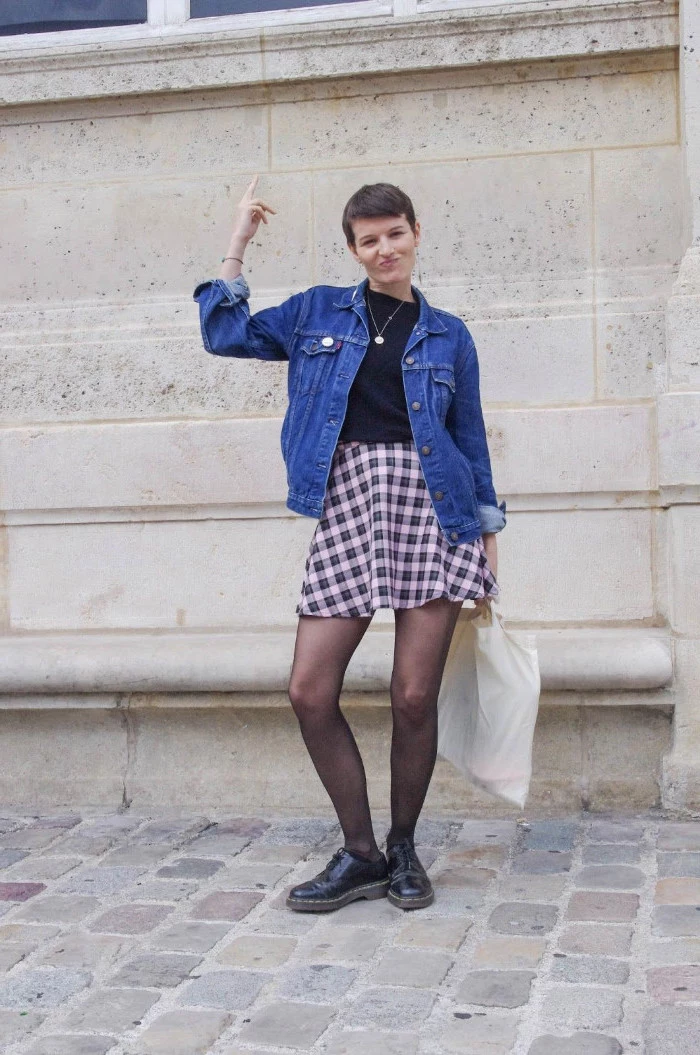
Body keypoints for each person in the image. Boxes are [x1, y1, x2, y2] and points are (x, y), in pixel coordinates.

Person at [193, 176, 506, 912]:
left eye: (395, 233)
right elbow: (224, 333)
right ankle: (358, 850)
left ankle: (402, 848)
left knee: (414, 694)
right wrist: (238, 242)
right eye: (370, 240)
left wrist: (490, 541)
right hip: (347, 509)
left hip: (434, 510)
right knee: (308, 688)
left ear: (416, 232)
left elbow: (470, 439)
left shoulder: (449, 334)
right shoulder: (315, 313)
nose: (385, 248)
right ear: (354, 249)